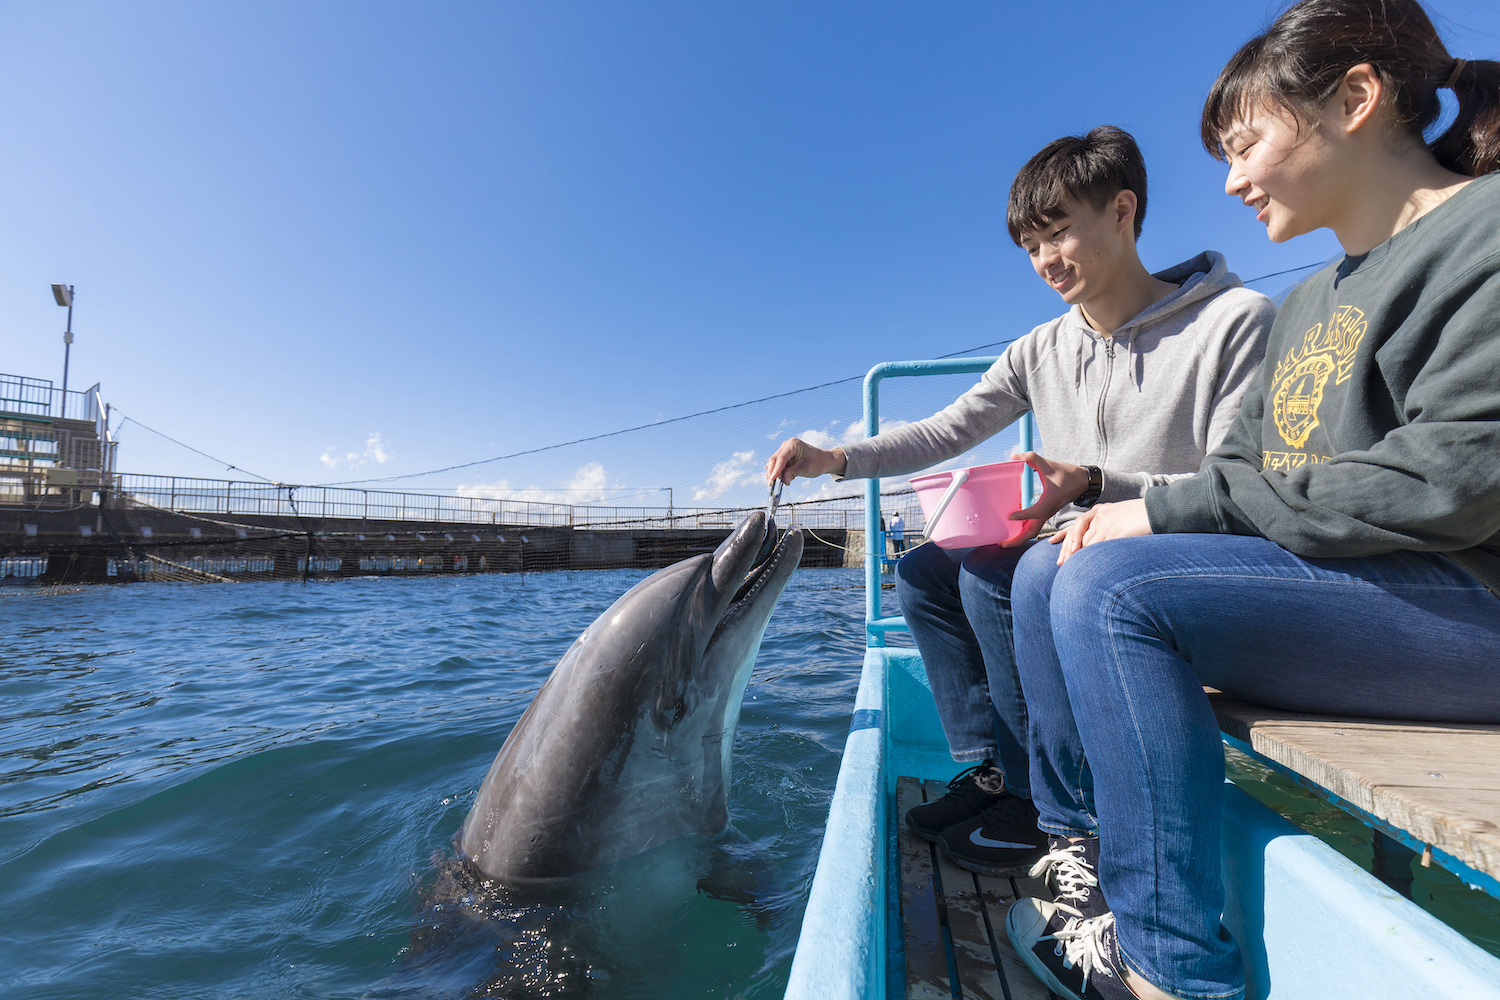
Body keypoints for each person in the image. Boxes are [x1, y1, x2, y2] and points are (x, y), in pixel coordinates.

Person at [1000, 4, 1500, 999]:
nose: (1230, 180)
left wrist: (1163, 515)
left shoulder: (1481, 236)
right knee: (1044, 565)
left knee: (1111, 591)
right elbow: (1241, 462)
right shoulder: (1313, 298)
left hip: (1469, 600)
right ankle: (1079, 853)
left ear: (1357, 100)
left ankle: (1171, 973)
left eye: (1248, 145)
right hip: (1373, 589)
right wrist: (1126, 513)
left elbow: (1455, 477)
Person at [765, 126, 1275, 876]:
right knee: (924, 573)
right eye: (1030, 248)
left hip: (1166, 550)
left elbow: (1236, 486)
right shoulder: (1041, 348)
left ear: (1123, 211)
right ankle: (993, 766)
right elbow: (947, 429)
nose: (1045, 263)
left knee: (993, 574)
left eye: (1059, 232)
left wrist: (1099, 485)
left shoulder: (1234, 323)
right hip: (1069, 539)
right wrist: (835, 458)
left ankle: (1044, 803)